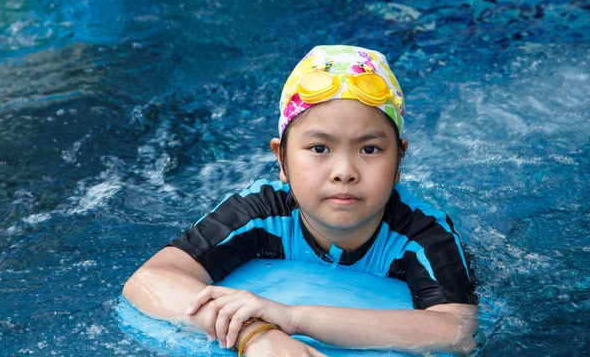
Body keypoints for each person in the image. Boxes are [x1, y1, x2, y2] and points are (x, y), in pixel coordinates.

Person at [123, 45, 479, 356]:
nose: (344, 171)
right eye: (319, 148)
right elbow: (152, 278)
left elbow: (457, 332)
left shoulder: (423, 233)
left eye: (370, 149)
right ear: (282, 160)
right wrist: (256, 333)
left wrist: (294, 317)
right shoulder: (259, 213)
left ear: (399, 159)